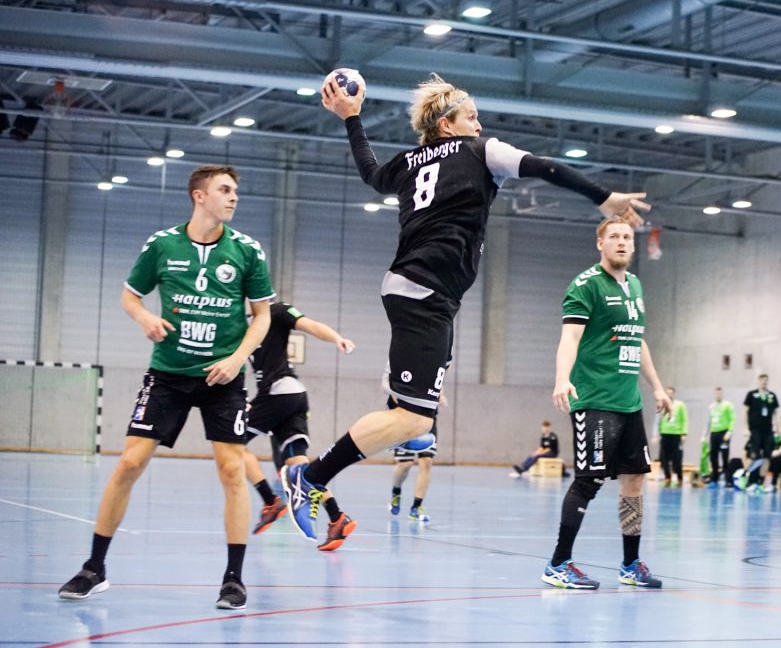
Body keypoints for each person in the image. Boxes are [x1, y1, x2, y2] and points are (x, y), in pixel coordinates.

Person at [280, 72, 651, 541]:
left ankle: (392, 415)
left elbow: (372, 174)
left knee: (417, 416)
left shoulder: (410, 161)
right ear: (447, 125)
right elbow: (544, 167)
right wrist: (605, 197)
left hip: (423, 293)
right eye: (471, 117)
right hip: (424, 293)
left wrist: (352, 119)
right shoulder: (480, 151)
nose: (479, 125)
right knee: (415, 418)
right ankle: (311, 477)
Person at [58, 165, 275, 610]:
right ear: (199, 196)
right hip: (168, 375)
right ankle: (94, 568)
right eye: (225, 190)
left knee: (232, 470)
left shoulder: (247, 251)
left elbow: (263, 316)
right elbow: (129, 296)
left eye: (235, 191)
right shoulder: (162, 245)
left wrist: (237, 360)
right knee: (129, 463)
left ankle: (233, 579)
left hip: (223, 379)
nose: (234, 197)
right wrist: (144, 318)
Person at [542, 217, 671, 590]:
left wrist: (657, 388)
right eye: (614, 236)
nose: (622, 242)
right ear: (600, 243)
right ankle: (558, 563)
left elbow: (637, 340)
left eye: (627, 237)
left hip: (629, 402)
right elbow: (570, 338)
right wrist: (562, 377)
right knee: (589, 481)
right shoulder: (586, 285)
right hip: (595, 399)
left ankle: (630, 564)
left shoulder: (635, 285)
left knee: (635, 480)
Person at [245, 302, 358, 551]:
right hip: (293, 395)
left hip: (279, 392)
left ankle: (270, 501)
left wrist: (337, 338)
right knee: (300, 466)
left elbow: (312, 326)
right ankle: (337, 517)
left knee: (231, 444)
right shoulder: (241, 323)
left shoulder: (276, 311)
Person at [389, 419, 438, 522]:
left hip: (427, 420)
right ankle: (396, 491)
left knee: (426, 461)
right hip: (405, 422)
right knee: (405, 464)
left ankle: (416, 507)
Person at [741, 374, 780, 493]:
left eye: (766, 380)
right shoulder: (751, 394)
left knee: (767, 457)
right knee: (754, 456)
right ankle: (747, 478)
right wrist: (745, 428)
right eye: (762, 380)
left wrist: (778, 427)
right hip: (755, 430)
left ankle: (760, 483)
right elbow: (745, 411)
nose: (764, 382)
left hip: (768, 431)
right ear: (758, 381)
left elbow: (776, 413)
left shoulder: (772, 396)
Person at [656, 387, 688, 487]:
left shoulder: (680, 405)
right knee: (664, 458)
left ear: (674, 394)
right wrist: (657, 435)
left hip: (676, 434)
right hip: (665, 434)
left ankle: (679, 478)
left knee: (677, 457)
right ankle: (667, 477)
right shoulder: (662, 405)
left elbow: (685, 419)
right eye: (668, 393)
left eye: (671, 393)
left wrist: (684, 433)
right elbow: (658, 420)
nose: (669, 395)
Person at [706, 387, 735, 488]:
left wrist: (729, 432)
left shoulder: (728, 405)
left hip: (724, 434)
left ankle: (728, 480)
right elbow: (708, 422)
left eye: (720, 393)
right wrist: (704, 435)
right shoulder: (711, 406)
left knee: (725, 457)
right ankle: (714, 479)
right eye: (716, 393)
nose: (718, 395)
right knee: (713, 457)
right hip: (714, 434)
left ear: (722, 394)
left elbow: (732, 419)